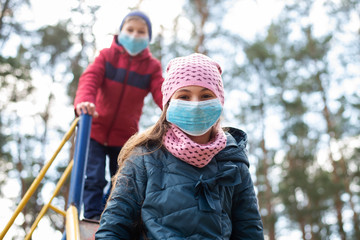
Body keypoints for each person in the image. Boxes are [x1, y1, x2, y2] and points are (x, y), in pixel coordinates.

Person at [95, 53, 264, 239]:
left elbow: (249, 231)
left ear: (219, 102)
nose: (196, 105)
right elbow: (114, 227)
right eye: (184, 96)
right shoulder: (143, 156)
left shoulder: (234, 161)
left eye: (206, 95)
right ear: (169, 103)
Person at [73, 10, 163, 220]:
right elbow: (90, 79)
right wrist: (84, 102)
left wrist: (174, 107)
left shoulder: (151, 67)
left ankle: (110, 217)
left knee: (121, 180)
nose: (134, 35)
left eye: (141, 32)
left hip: (125, 136)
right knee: (93, 177)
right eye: (129, 30)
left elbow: (161, 90)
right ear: (120, 32)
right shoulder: (107, 56)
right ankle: (93, 216)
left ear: (148, 38)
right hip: (94, 129)